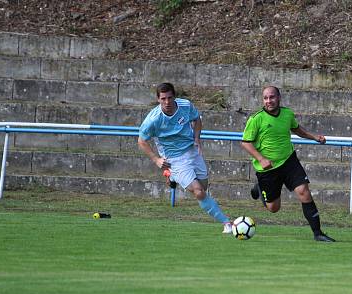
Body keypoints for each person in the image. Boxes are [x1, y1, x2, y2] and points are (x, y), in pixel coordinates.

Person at [241, 86, 335, 242]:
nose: (269, 101)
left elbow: (297, 130)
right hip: (267, 169)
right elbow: (245, 143)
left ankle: (318, 233)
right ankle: (259, 187)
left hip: (288, 161)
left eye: (272, 97)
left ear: (279, 98)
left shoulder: (287, 114)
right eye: (265, 98)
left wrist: (315, 137)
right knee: (273, 208)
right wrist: (261, 159)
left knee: (304, 191)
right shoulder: (256, 119)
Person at [138, 82, 232, 234]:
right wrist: (156, 160)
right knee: (199, 192)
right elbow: (141, 141)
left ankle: (172, 177)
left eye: (169, 98)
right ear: (158, 99)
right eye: (163, 99)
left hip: (192, 151)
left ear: (174, 96)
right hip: (174, 159)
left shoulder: (185, 106)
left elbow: (197, 119)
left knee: (204, 187)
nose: (167, 102)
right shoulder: (153, 119)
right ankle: (227, 222)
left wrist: (197, 139)